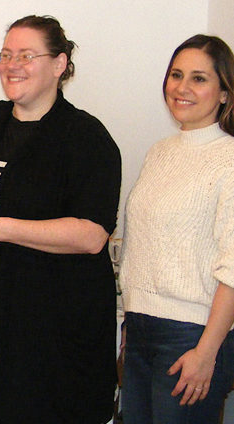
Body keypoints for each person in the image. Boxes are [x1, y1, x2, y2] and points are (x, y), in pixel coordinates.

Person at [0, 15, 121, 424]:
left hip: (47, 343)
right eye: (6, 54)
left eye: (27, 55)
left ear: (60, 64)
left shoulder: (86, 138)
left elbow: (91, 235)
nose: (12, 64)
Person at [119, 34, 234, 424]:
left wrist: (207, 352)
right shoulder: (160, 152)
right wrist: (128, 323)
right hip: (139, 329)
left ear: (224, 93)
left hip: (192, 335)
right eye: (176, 75)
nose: (182, 88)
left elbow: (233, 268)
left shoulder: (229, 159)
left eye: (199, 78)